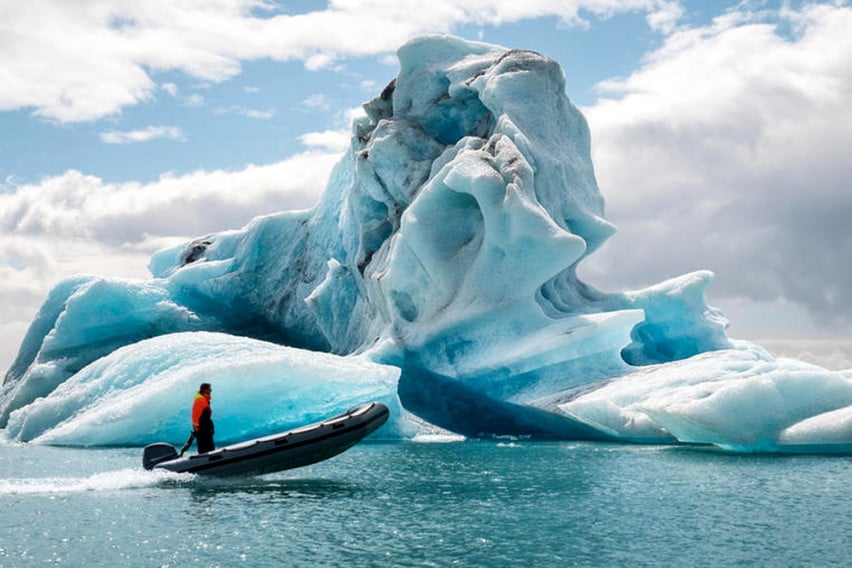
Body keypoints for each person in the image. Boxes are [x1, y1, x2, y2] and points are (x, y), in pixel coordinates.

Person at [191, 382, 215, 454]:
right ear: (205, 390)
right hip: (202, 430)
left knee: (209, 447)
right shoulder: (200, 400)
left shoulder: (204, 400)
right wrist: (197, 429)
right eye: (209, 389)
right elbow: (195, 416)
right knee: (205, 448)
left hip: (206, 428)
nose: (210, 391)